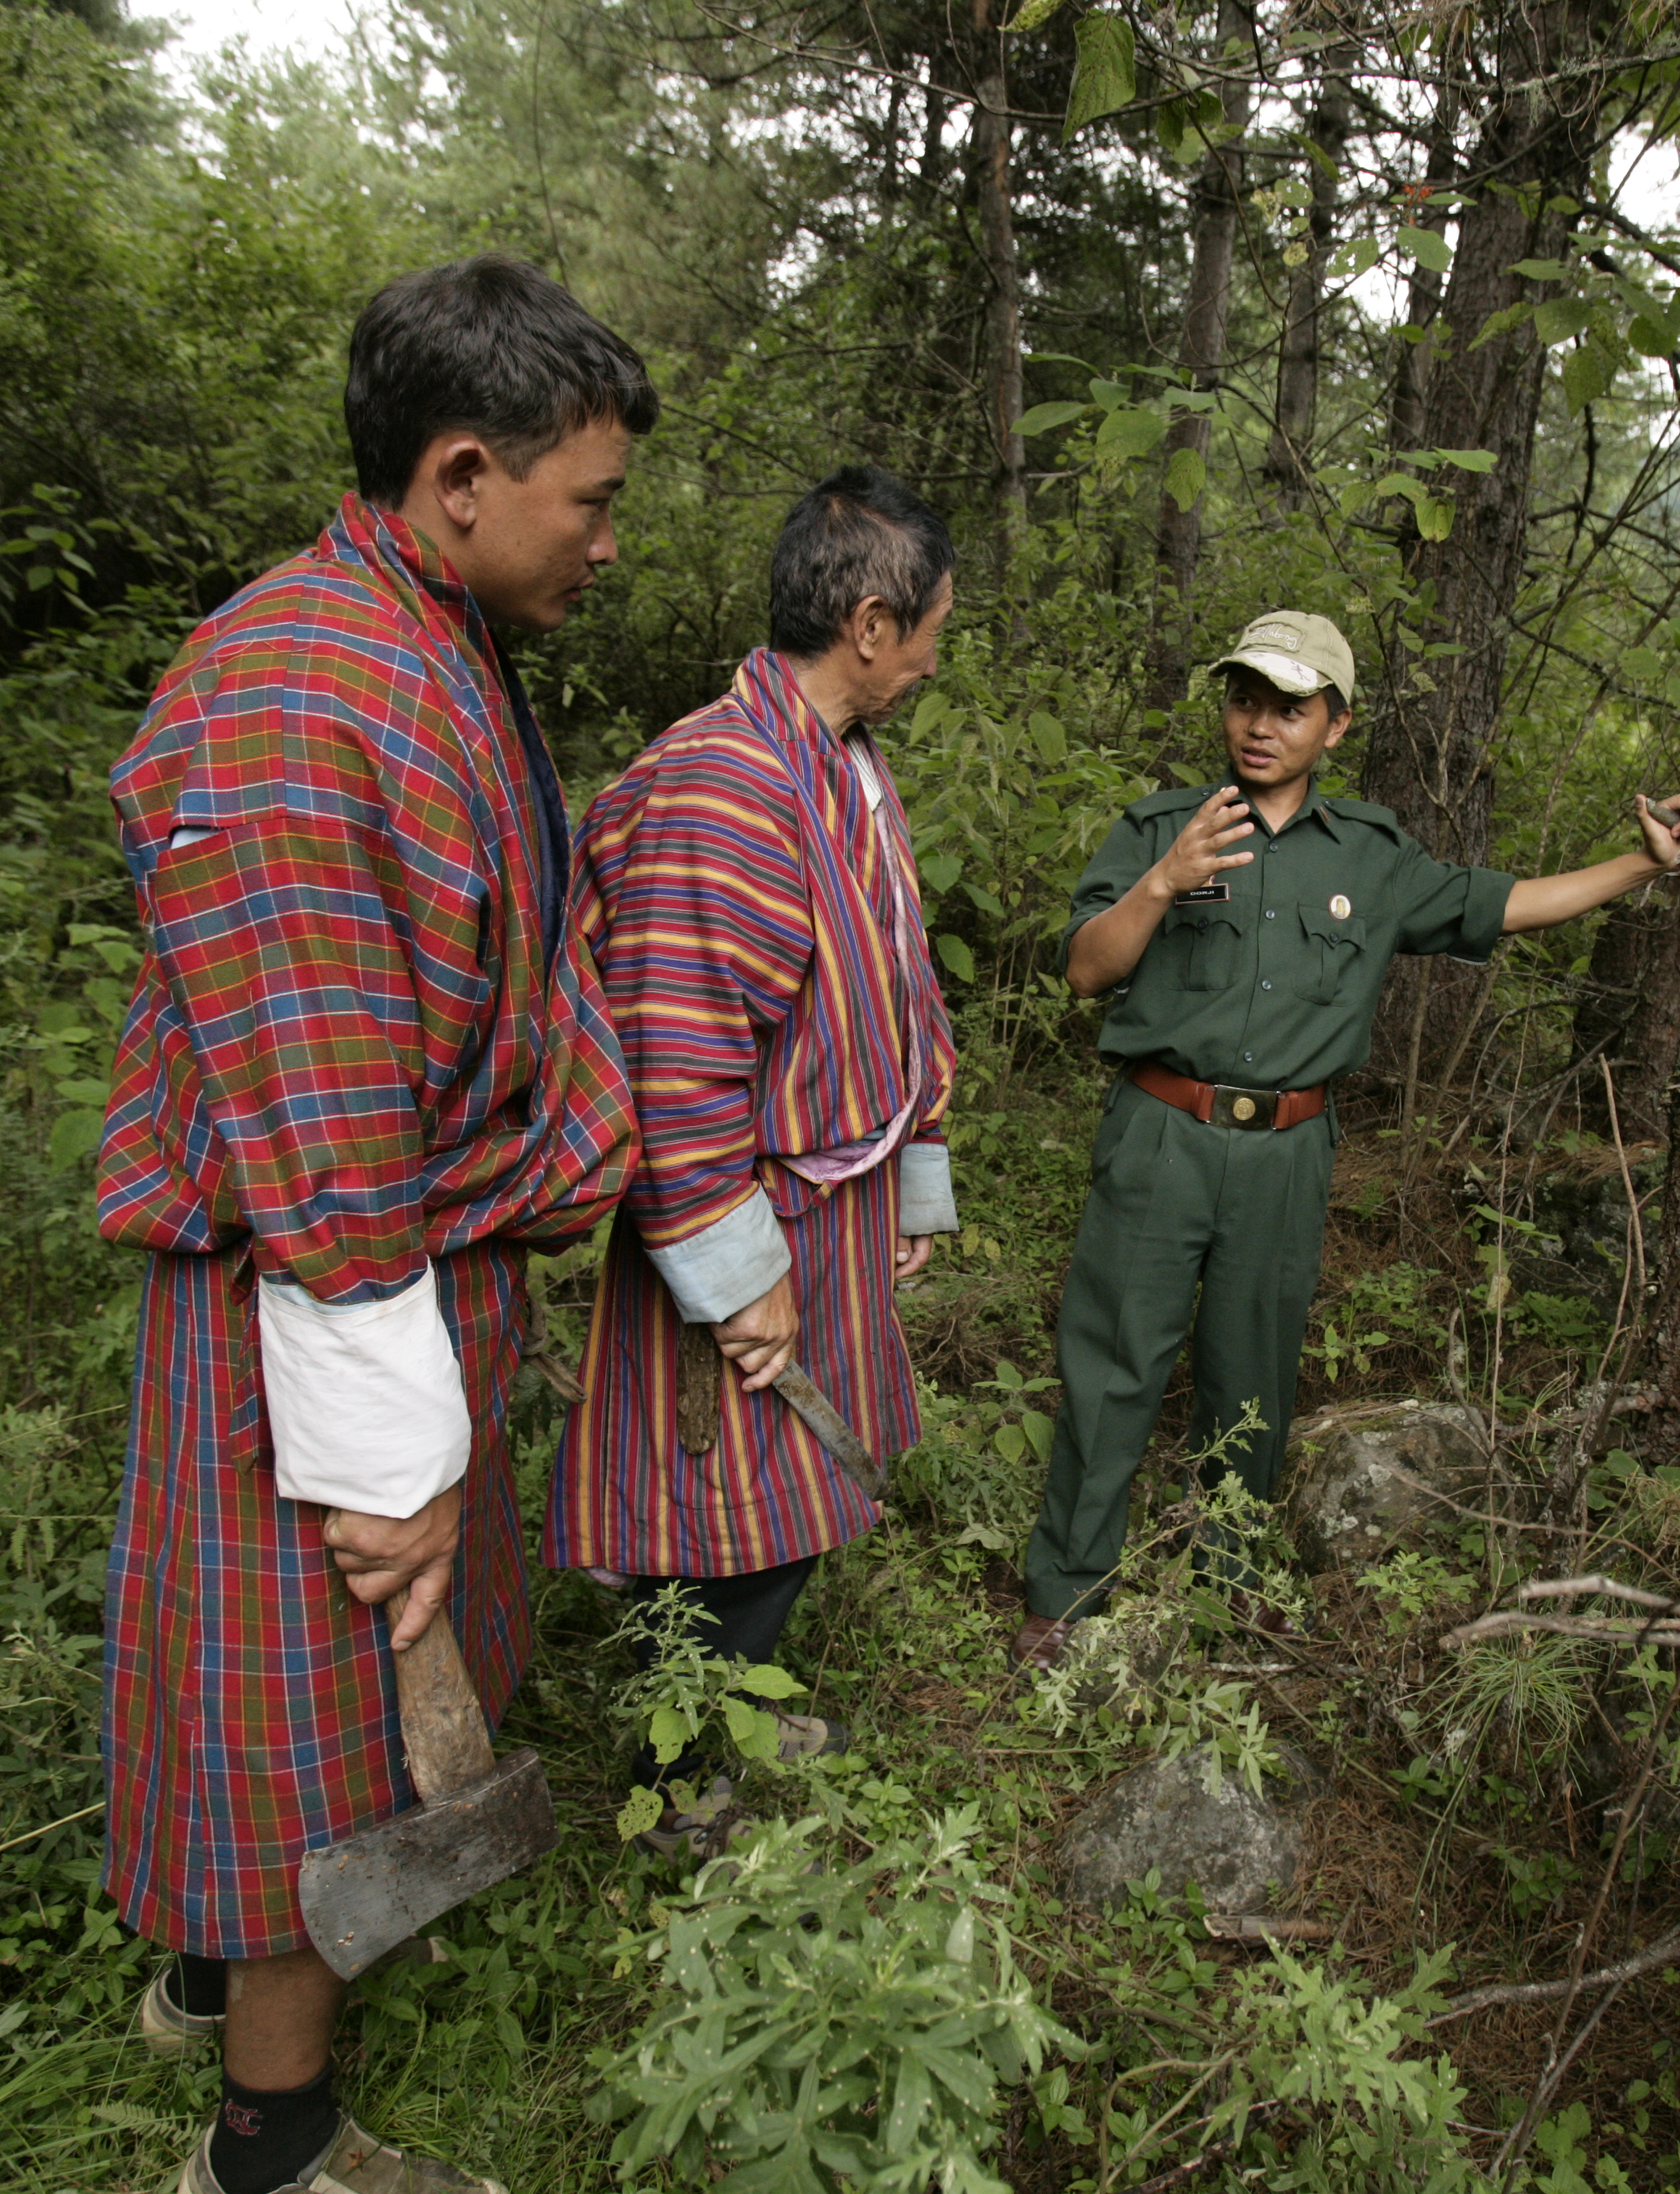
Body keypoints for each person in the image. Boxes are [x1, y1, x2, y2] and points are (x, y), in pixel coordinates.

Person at [91, 255, 649, 2194]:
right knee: (308, 1713)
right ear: (467, 472)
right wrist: (388, 1455)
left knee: (331, 1698)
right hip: (324, 1317)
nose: (604, 543)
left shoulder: (433, 645)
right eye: (591, 500)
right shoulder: (296, 698)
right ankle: (272, 2142)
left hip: (409, 1278)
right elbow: (323, 1138)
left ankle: (205, 1977)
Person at [1012, 610, 1680, 1665]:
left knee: (1254, 1371)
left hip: (1288, 1152)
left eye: (1291, 708)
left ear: (1335, 726)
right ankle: (1064, 1601)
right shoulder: (1162, 824)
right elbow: (1085, 971)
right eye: (1246, 699)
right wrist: (1162, 880)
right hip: (1160, 1131)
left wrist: (1642, 866)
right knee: (1114, 1363)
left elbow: (1512, 905)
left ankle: (1229, 1580)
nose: (1260, 726)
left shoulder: (1374, 858)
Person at [550, 464, 962, 1844]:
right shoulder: (722, 787)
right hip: (743, 1213)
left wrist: (914, 1170)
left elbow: (902, 985)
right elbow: (678, 1063)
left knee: (792, 1490)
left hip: (828, 1206)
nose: (932, 658)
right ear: (868, 623)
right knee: (720, 1500)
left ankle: (736, 1698)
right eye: (930, 630)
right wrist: (737, 1276)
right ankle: (678, 1781)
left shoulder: (844, 768)